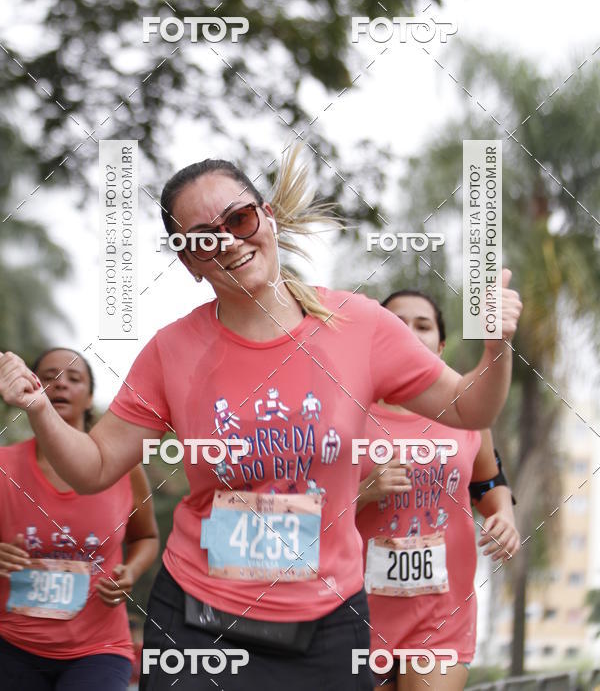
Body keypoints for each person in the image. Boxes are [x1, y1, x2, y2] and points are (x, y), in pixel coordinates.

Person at [0, 147, 522, 690]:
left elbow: (469, 407)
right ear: (189, 262)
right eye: (203, 238)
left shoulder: (359, 326)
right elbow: (97, 464)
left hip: (327, 621)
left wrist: (496, 349)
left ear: (266, 216)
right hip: (198, 619)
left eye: (239, 219)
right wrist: (40, 409)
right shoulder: (172, 350)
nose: (227, 241)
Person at [356, 290, 520, 690]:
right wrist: (364, 491)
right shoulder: (347, 411)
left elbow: (489, 483)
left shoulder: (465, 413)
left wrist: (504, 514)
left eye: (423, 326)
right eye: (396, 323)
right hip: (355, 615)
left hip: (440, 616)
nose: (408, 332)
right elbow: (312, 508)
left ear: (440, 346)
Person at [0, 348, 159, 690]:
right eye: (48, 377)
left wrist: (130, 572)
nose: (60, 386)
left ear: (89, 398)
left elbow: (146, 537)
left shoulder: (124, 469)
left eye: (73, 379)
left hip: (99, 650)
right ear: (29, 385)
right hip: (11, 644)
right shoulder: (3, 464)